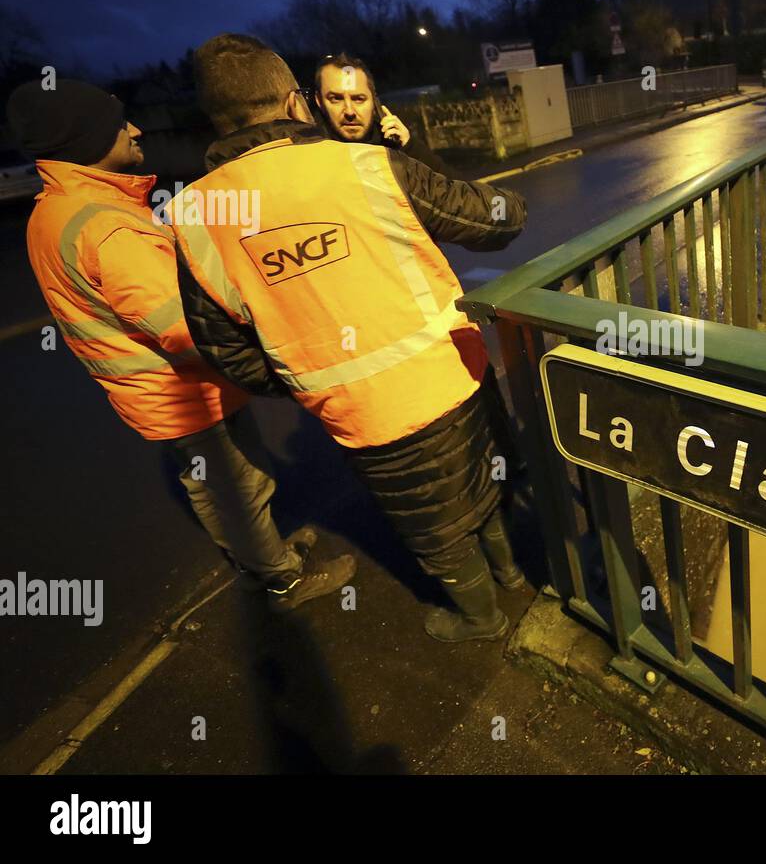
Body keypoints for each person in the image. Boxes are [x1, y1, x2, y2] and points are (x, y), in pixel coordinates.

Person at [171, 34, 527, 643]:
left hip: (360, 414)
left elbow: (223, 349)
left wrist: (302, 373)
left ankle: (481, 616)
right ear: (296, 102)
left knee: (431, 526)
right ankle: (506, 586)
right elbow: (500, 219)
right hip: (452, 371)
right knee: (480, 483)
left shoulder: (193, 216)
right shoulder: (366, 166)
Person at [6, 79, 355, 610]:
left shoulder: (56, 210)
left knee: (219, 485)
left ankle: (262, 558)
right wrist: (265, 353)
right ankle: (280, 577)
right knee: (240, 488)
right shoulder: (105, 227)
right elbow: (182, 326)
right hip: (182, 389)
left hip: (154, 390)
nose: (135, 129)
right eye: (119, 124)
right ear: (86, 141)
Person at [313, 52, 456, 176]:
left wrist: (410, 147)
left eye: (358, 99)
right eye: (336, 99)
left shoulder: (392, 144)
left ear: (374, 101)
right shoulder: (309, 155)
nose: (349, 111)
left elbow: (454, 190)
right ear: (319, 101)